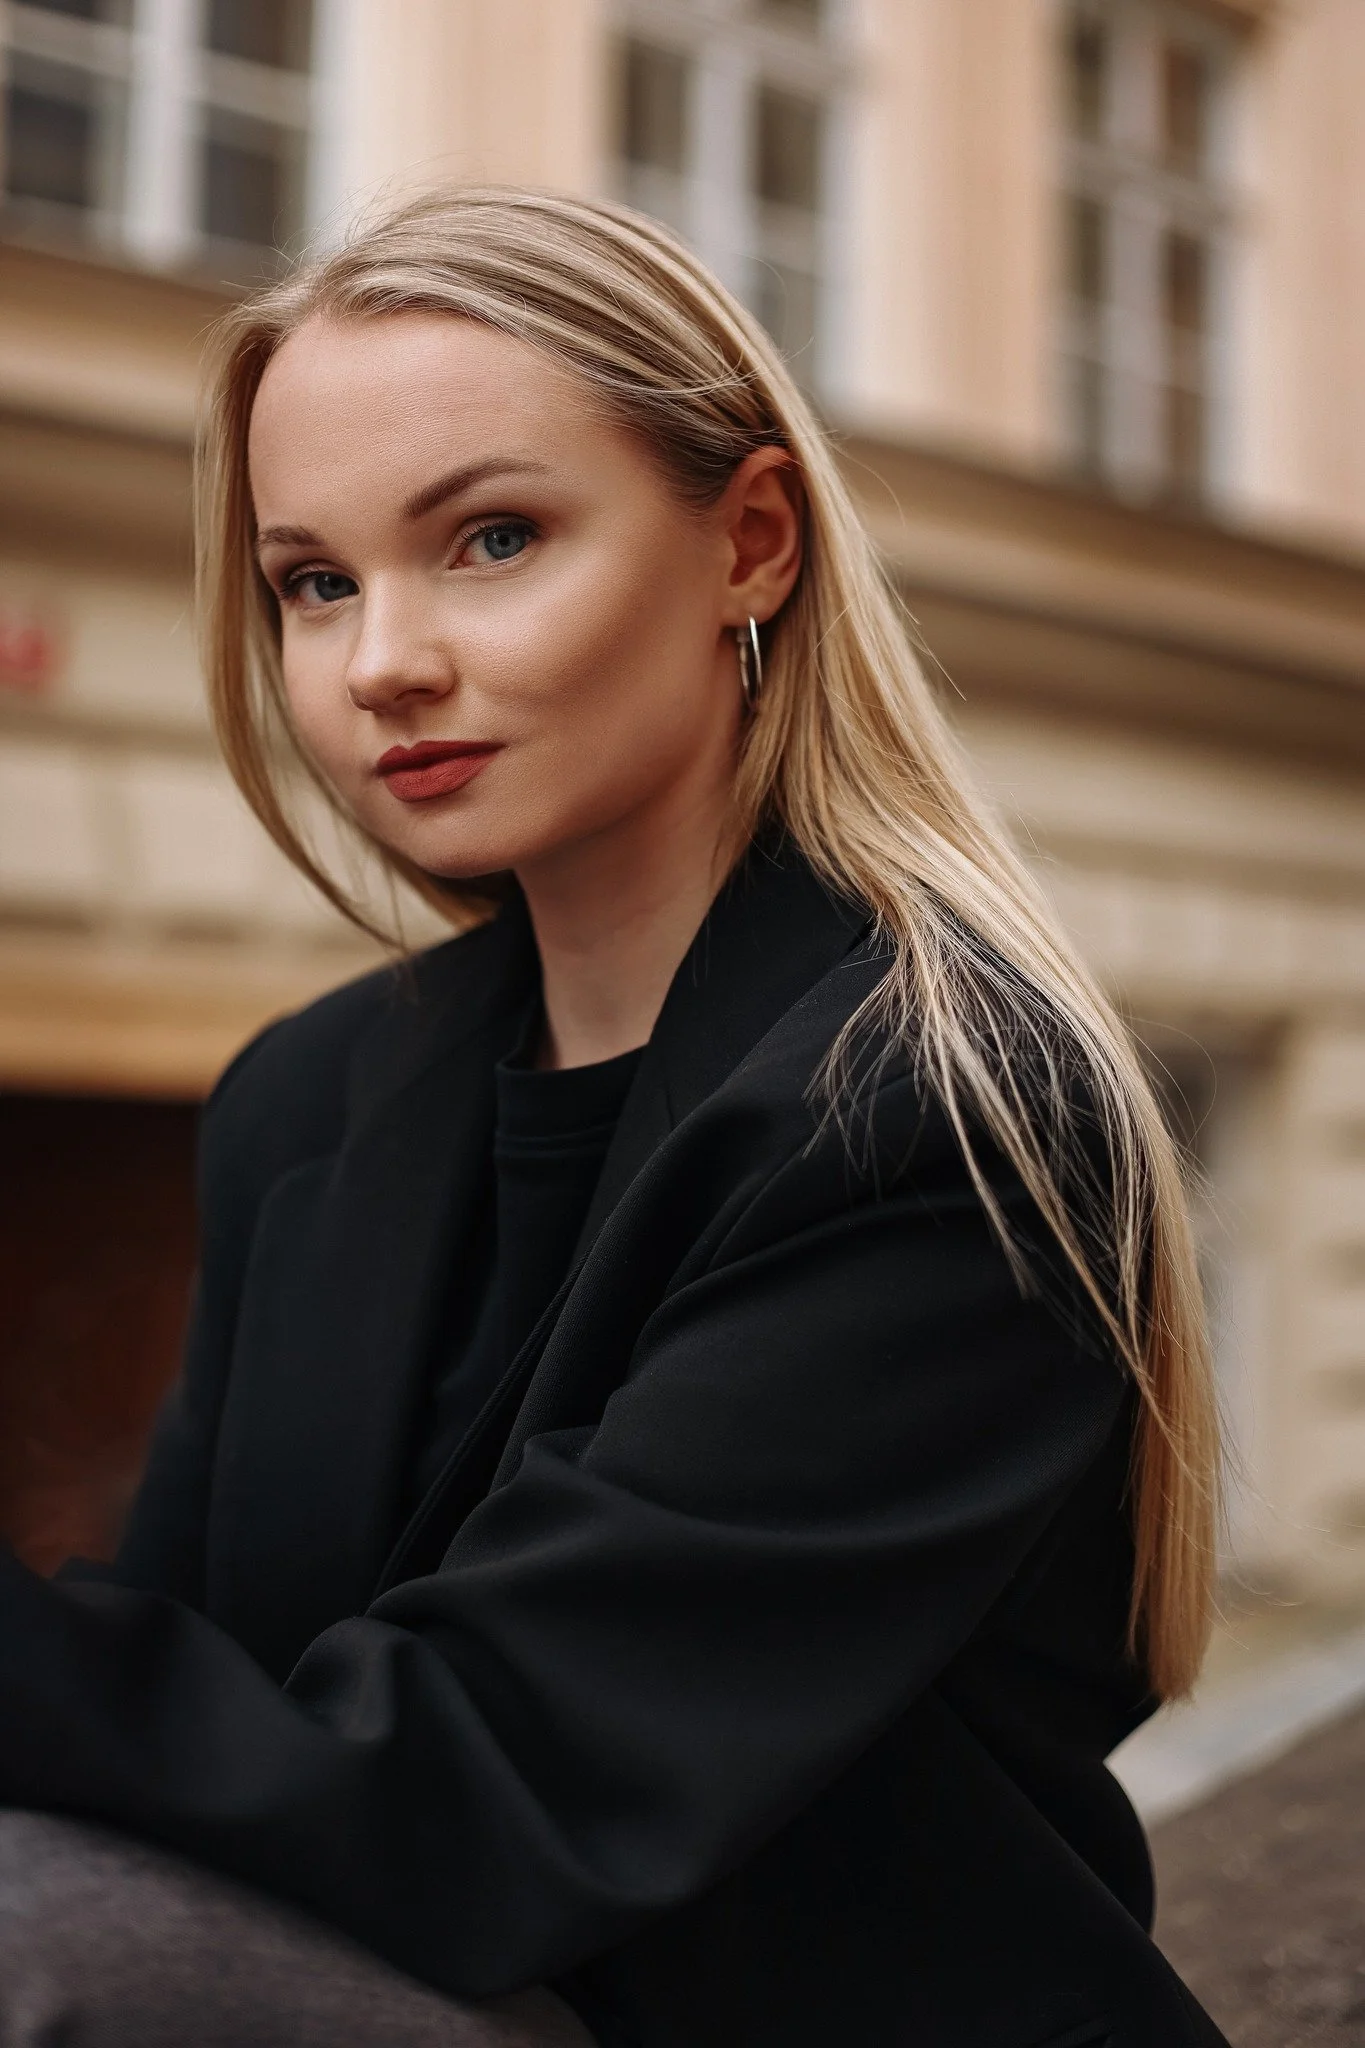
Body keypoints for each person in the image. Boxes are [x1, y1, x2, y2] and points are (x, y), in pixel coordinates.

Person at [0, 188, 1230, 2048]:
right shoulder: (307, 1097)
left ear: (750, 542)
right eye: (313, 580)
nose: (378, 661)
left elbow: (493, 1787)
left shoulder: (944, 1104)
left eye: (491, 539)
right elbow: (190, 1695)